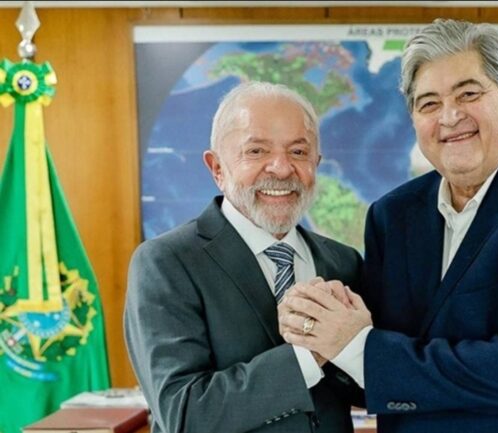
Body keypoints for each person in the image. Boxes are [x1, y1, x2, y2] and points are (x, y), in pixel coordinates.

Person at [279, 18, 498, 433]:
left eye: (468, 93)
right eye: (428, 103)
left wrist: (359, 347)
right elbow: (380, 372)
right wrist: (320, 327)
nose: (449, 116)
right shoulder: (392, 216)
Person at [124, 81, 365, 433]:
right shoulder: (166, 263)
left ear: (316, 164)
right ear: (217, 168)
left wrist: (359, 346)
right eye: (256, 151)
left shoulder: (344, 262)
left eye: (298, 152)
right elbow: (184, 413)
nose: (281, 168)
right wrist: (310, 353)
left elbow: (369, 391)